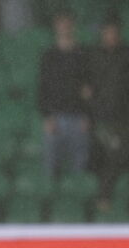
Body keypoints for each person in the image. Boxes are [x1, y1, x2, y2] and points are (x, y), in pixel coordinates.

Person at [86, 19, 129, 209]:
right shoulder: (93, 55)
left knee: (126, 154)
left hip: (125, 118)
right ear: (103, 33)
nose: (112, 36)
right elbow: (86, 85)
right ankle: (104, 197)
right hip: (101, 118)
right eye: (108, 32)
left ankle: (114, 198)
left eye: (114, 32)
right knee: (112, 154)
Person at [37, 15, 90, 178]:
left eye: (68, 24)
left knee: (80, 168)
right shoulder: (49, 56)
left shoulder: (83, 54)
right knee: (51, 168)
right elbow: (43, 89)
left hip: (78, 119)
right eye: (61, 25)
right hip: (55, 118)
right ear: (56, 27)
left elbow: (89, 88)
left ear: (73, 27)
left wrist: (87, 116)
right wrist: (47, 117)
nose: (65, 28)